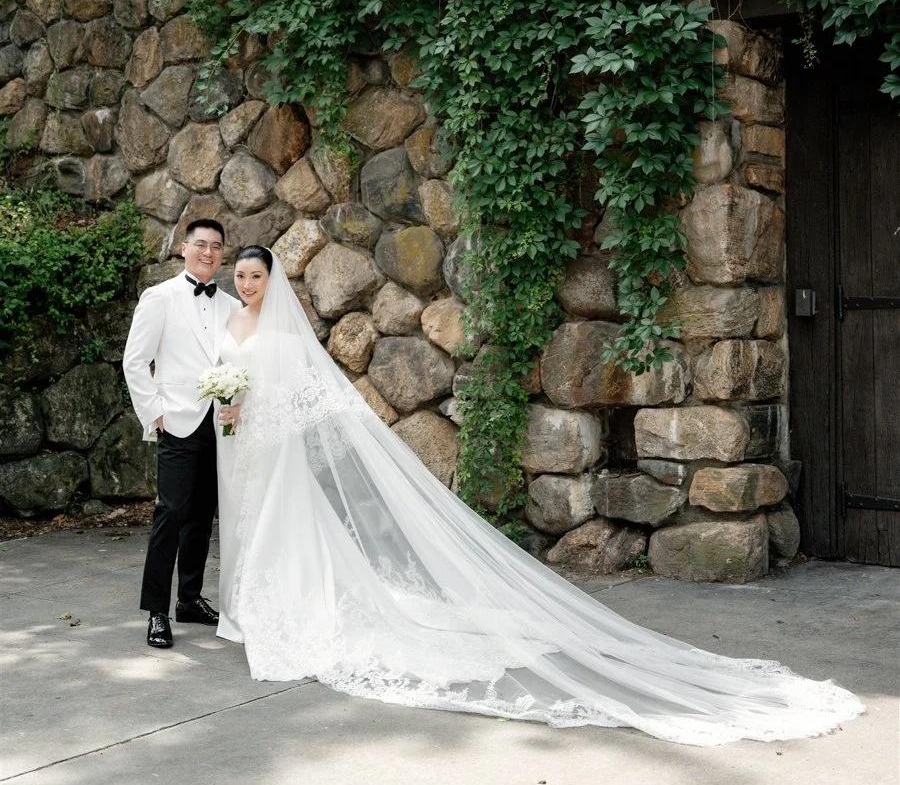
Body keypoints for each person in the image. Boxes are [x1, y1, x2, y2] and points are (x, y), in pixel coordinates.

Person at [214, 245, 864, 746]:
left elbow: (311, 406)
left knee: (289, 535)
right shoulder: (232, 328)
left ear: (272, 281)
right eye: (240, 277)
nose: (246, 285)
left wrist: (247, 412)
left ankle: (283, 614)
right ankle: (248, 607)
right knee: (256, 531)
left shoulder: (281, 338)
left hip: (274, 462)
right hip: (244, 456)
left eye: (255, 276)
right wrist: (227, 408)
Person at [123, 219, 240, 648]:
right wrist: (154, 414)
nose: (208, 252)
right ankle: (157, 611)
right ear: (184, 247)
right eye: (201, 244)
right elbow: (135, 361)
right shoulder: (160, 297)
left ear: (223, 253)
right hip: (176, 420)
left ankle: (189, 599)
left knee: (202, 514)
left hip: (218, 425)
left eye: (216, 246)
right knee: (170, 513)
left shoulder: (230, 304)